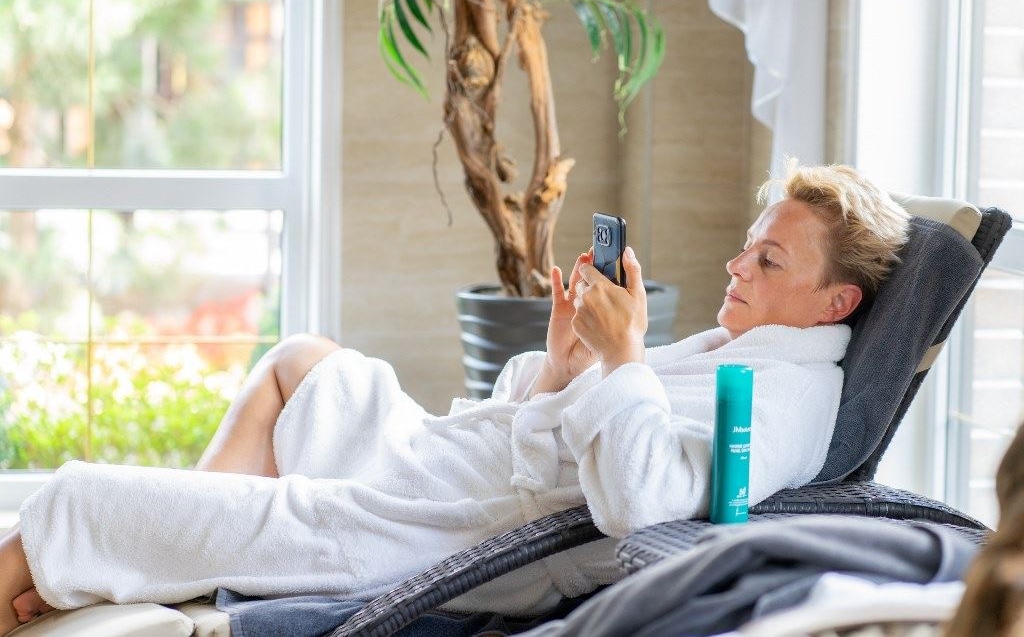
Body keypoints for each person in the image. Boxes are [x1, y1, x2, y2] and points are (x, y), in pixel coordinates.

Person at [0, 161, 911, 634]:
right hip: (453, 459)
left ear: (837, 302)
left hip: (452, 525)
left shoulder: (792, 398)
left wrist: (623, 356)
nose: (735, 263)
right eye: (748, 244)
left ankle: (169, 545)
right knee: (304, 361)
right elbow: (550, 428)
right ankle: (185, 560)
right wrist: (564, 364)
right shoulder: (736, 346)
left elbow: (637, 505)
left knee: (82, 497)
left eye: (768, 258)